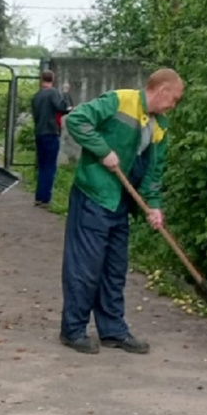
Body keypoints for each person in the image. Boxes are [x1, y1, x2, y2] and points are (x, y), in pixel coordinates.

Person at [58, 68, 184, 355]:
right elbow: (77, 119)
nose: (173, 106)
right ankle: (73, 330)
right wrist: (102, 150)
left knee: (114, 269)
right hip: (94, 195)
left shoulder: (160, 126)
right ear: (162, 90)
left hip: (121, 204)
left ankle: (112, 330)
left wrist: (154, 206)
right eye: (173, 99)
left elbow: (154, 173)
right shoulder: (120, 100)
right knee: (85, 267)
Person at [30, 70, 72, 208]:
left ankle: (39, 196)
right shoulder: (53, 92)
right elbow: (62, 107)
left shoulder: (36, 96)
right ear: (53, 79)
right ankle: (45, 199)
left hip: (39, 133)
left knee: (42, 166)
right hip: (51, 132)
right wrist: (65, 93)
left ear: (41, 79)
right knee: (50, 166)